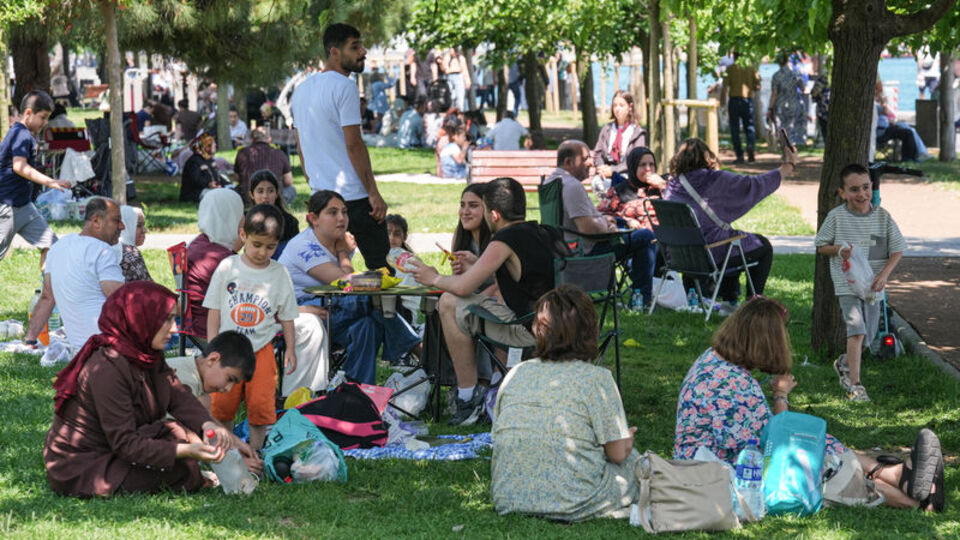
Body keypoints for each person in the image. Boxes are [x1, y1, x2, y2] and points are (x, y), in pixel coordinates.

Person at [674, 296, 944, 512]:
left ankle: (900, 477)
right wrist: (780, 396)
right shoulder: (736, 385)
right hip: (719, 476)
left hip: (709, 464)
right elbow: (780, 447)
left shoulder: (713, 361)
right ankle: (913, 496)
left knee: (822, 446)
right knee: (824, 464)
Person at [42, 282, 239, 498]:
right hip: (85, 463)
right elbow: (124, 443)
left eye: (173, 319)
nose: (174, 328)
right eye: (167, 319)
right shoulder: (107, 368)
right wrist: (186, 451)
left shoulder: (144, 352)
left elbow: (176, 393)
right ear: (140, 317)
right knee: (182, 469)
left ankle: (188, 470)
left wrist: (207, 423)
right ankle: (193, 476)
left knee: (176, 433)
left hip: (111, 448)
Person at [408, 178, 563, 426]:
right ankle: (486, 385)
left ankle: (467, 398)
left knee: (448, 302)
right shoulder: (548, 232)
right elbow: (525, 278)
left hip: (529, 330)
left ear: (493, 213)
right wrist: (477, 266)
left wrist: (433, 277)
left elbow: (463, 286)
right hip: (565, 327)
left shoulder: (504, 238)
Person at [492, 285, 638, 521]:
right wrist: (628, 440)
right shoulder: (596, 379)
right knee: (637, 463)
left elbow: (498, 437)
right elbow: (618, 454)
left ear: (538, 330)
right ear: (590, 329)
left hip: (508, 497)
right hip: (574, 499)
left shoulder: (515, 373)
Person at [279, 190, 421, 384]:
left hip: (334, 308)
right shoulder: (304, 245)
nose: (341, 218)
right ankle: (416, 349)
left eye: (344, 212)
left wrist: (343, 253)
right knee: (371, 299)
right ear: (313, 218)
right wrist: (344, 253)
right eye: (332, 212)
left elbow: (348, 285)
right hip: (305, 310)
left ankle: (355, 391)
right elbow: (345, 282)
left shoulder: (336, 242)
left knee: (367, 325)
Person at [291, 23, 390, 271]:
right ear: (334, 52)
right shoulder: (345, 86)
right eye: (355, 47)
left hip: (320, 197)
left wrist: (313, 184)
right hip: (353, 197)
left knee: (327, 271)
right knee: (383, 268)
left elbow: (301, 147)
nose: (363, 52)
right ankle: (388, 311)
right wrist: (373, 192)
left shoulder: (300, 91)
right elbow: (354, 144)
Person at [203, 205, 299, 451]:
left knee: (260, 407)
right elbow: (214, 309)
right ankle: (226, 453)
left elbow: (287, 315)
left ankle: (255, 455)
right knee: (222, 405)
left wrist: (290, 348)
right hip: (227, 351)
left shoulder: (279, 273)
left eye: (270, 247)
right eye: (256, 244)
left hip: (261, 351)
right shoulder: (228, 267)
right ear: (243, 235)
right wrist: (212, 347)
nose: (261, 252)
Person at [664, 138, 797, 314]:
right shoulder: (715, 180)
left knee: (730, 238)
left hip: (679, 256)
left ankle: (730, 301)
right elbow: (753, 185)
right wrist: (788, 166)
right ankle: (753, 303)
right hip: (709, 255)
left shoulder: (673, 185)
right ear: (707, 156)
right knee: (761, 246)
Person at [815, 164, 905, 402]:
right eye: (854, 190)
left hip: (873, 287)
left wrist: (883, 275)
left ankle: (844, 364)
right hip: (847, 284)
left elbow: (896, 250)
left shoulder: (882, 217)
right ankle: (856, 386)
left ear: (872, 187)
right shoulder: (836, 217)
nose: (862, 194)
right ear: (842, 193)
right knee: (857, 330)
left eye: (865, 188)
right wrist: (840, 250)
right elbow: (821, 246)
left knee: (869, 334)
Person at [546, 140, 656, 311]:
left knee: (635, 232)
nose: (591, 163)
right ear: (568, 162)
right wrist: (610, 228)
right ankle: (640, 300)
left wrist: (604, 220)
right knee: (646, 236)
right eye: (585, 159)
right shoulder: (571, 186)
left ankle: (640, 298)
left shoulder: (551, 181)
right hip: (584, 253)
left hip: (564, 249)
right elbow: (587, 228)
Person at [24, 198, 125, 351]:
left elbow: (47, 298)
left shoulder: (58, 247)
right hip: (108, 343)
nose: (122, 226)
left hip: (79, 347)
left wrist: (30, 340)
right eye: (116, 220)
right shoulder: (102, 250)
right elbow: (120, 300)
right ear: (96, 221)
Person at [163, 331, 263, 474]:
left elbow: (206, 422)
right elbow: (186, 430)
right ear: (213, 360)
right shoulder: (185, 380)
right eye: (230, 379)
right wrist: (233, 464)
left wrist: (238, 444)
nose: (228, 389)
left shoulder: (197, 380)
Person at [0, 90, 72, 263]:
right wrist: (50, 181)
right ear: (28, 113)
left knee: (54, 247)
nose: (46, 122)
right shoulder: (21, 134)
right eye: (43, 117)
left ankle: (46, 290)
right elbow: (19, 166)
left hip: (24, 207)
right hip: (7, 208)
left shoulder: (22, 134)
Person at [185, 189, 245, 341]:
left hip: (197, 326)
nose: (244, 218)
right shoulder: (223, 260)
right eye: (240, 212)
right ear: (230, 216)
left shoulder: (198, 244)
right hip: (220, 332)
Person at [597, 146, 665, 232]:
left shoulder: (665, 185)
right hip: (633, 238)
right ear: (633, 167)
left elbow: (679, 208)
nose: (648, 169)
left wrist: (663, 186)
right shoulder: (619, 191)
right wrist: (625, 221)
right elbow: (602, 215)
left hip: (664, 238)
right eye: (643, 165)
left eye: (651, 164)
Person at [591, 91, 646, 195]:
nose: (617, 109)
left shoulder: (637, 133)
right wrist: (602, 168)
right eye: (615, 105)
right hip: (605, 175)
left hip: (627, 175)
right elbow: (598, 153)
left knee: (620, 186)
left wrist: (613, 170)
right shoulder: (607, 130)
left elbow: (636, 160)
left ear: (630, 107)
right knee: (597, 182)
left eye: (621, 105)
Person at [235, 126, 296, 206]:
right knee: (291, 190)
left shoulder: (242, 153)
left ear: (251, 140)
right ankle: (280, 204)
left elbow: (236, 178)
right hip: (273, 198)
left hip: (247, 197)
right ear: (269, 139)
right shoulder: (279, 153)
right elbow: (288, 181)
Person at [249, 169, 299, 259]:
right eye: (260, 191)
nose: (265, 196)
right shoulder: (246, 220)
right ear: (252, 194)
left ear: (277, 193)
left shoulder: (290, 222)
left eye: (270, 191)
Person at [720, 52, 760, 163]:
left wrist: (722, 102)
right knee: (750, 127)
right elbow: (758, 86)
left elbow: (724, 87)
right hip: (748, 100)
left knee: (735, 129)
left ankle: (740, 155)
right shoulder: (752, 68)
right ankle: (750, 146)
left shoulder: (730, 69)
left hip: (734, 101)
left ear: (734, 57)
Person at [874, 79, 923, 162]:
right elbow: (886, 111)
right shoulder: (875, 105)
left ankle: (914, 155)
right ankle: (908, 157)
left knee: (907, 130)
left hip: (884, 128)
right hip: (881, 131)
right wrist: (883, 101)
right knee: (907, 133)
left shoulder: (876, 104)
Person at [768, 52, 807, 148]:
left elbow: (774, 93)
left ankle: (786, 154)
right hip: (796, 104)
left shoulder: (776, 75)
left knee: (783, 131)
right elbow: (803, 89)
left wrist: (770, 108)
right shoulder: (797, 73)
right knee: (793, 131)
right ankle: (792, 154)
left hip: (781, 106)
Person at [179, 133, 229, 203]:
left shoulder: (209, 159)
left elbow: (216, 175)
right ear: (206, 147)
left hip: (208, 189)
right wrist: (208, 184)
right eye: (213, 144)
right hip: (194, 193)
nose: (215, 145)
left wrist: (227, 184)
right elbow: (196, 179)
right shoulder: (194, 161)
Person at [116, 205, 152, 282]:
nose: (144, 230)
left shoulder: (111, 246)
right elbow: (148, 287)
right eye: (138, 226)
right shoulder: (129, 252)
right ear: (125, 226)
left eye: (144, 225)